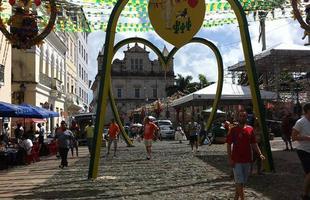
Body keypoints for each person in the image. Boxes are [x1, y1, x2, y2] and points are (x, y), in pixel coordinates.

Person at [226, 111, 265, 200]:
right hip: (236, 160)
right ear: (238, 117)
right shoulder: (233, 130)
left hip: (247, 159)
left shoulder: (250, 129)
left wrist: (260, 154)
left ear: (246, 117)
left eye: (244, 116)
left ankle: (236, 198)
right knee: (239, 181)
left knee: (242, 182)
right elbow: (228, 144)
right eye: (240, 116)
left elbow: (254, 143)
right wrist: (230, 159)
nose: (242, 117)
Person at [292, 103, 310, 200]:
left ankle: (306, 193)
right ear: (307, 111)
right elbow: (293, 137)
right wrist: (306, 138)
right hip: (303, 150)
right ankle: (304, 194)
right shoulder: (300, 122)